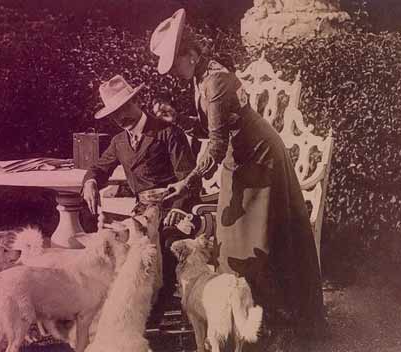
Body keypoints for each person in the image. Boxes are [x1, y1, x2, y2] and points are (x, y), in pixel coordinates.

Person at [149, 8, 325, 348]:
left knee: (253, 242)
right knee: (229, 242)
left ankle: (269, 325)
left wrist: (187, 182)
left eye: (175, 66)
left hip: (260, 158)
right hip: (238, 159)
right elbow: (213, 136)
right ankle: (241, 320)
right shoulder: (200, 79)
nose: (174, 74)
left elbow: (215, 143)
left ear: (189, 54)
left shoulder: (214, 80)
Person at [82, 74, 200, 327]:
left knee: (164, 244)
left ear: (136, 101)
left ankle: (155, 314)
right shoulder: (119, 141)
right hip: (142, 212)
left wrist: (177, 210)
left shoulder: (167, 132)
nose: (119, 117)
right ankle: (126, 311)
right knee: (117, 247)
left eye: (123, 108)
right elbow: (99, 169)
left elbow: (189, 178)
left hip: (173, 207)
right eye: (113, 114)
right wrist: (90, 182)